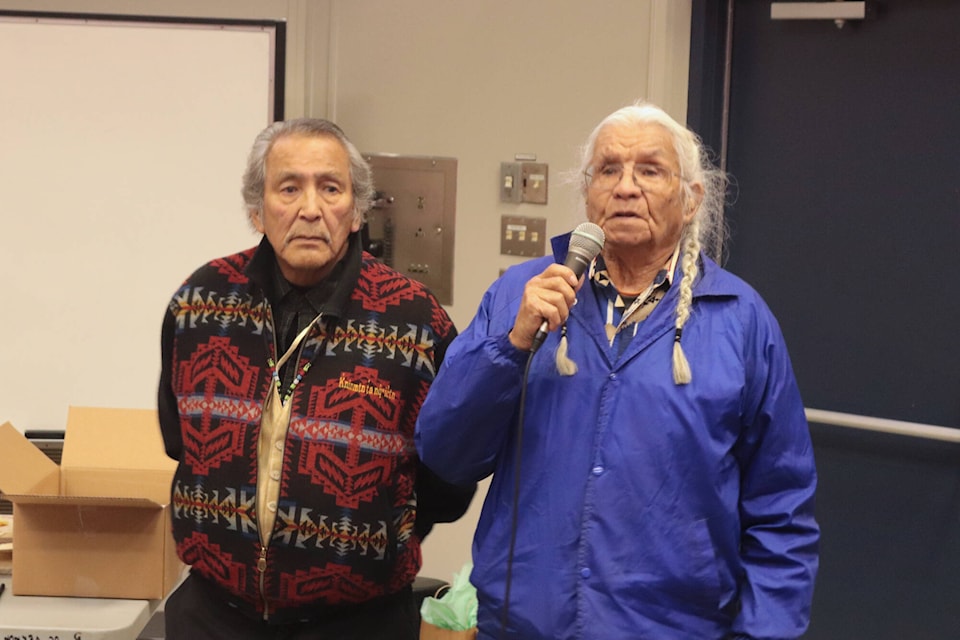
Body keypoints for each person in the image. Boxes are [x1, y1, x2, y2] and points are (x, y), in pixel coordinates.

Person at [415, 102, 819, 639]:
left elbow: (781, 513)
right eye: (608, 170)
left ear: (691, 198)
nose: (625, 187)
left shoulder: (741, 321)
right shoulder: (520, 293)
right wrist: (512, 345)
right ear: (587, 193)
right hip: (523, 626)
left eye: (649, 170)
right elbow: (446, 454)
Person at [158, 118, 475, 640]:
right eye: (289, 187)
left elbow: (448, 479)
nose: (310, 208)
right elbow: (180, 440)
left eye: (330, 188)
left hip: (359, 623)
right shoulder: (201, 302)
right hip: (212, 616)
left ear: (355, 210)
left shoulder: (415, 321)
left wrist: (367, 541)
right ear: (256, 209)